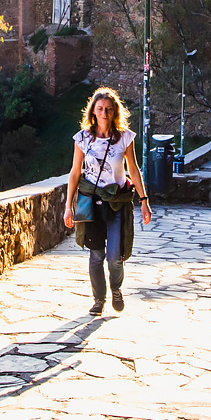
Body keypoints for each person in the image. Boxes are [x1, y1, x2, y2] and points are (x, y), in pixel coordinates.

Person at [63, 87, 153, 314]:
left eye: (109, 109)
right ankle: (99, 300)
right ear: (93, 111)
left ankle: (116, 289)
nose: (104, 113)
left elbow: (133, 169)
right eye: (100, 108)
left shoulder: (124, 137)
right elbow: (75, 172)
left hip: (117, 202)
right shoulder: (82, 139)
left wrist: (144, 200)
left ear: (115, 112)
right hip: (92, 203)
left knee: (114, 257)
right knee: (96, 255)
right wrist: (68, 207)